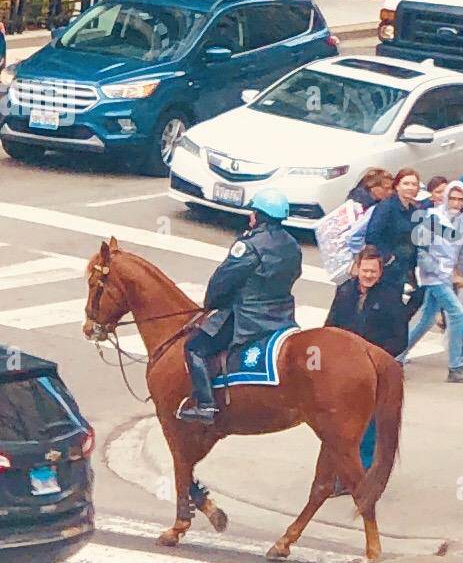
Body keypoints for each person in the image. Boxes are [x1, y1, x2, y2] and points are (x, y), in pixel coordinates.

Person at [180, 189, 302, 423]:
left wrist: (212, 304)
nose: (250, 217)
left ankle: (206, 405)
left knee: (195, 347)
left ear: (260, 215)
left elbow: (224, 280)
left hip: (248, 317)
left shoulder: (249, 245)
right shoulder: (292, 244)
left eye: (253, 212)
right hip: (282, 316)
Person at [324, 246, 423, 486]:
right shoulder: (344, 291)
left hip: (374, 372)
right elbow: (330, 326)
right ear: (356, 269)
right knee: (337, 422)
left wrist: (372, 359)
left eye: (374, 271)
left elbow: (400, 339)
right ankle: (338, 470)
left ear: (380, 273)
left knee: (368, 424)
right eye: (365, 270)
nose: (369, 275)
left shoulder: (389, 298)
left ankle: (362, 473)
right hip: (344, 372)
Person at [404, 181, 463, 383]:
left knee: (426, 319)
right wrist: (438, 270)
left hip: (444, 276)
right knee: (457, 314)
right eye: (452, 198)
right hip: (433, 276)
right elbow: (420, 250)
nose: (456, 203)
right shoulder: (432, 218)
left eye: (460, 199)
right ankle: (455, 366)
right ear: (445, 198)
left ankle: (396, 356)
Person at [364, 167, 421, 289]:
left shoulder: (414, 210)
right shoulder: (386, 207)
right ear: (397, 186)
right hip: (387, 269)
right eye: (406, 183)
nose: (410, 187)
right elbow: (372, 236)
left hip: (406, 268)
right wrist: (389, 258)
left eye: (414, 184)